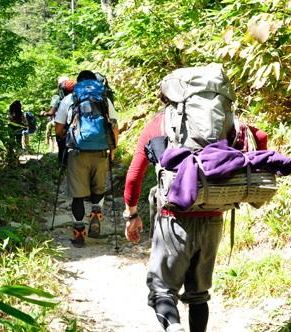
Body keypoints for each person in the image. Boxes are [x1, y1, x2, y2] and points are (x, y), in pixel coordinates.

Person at [122, 93, 268, 332]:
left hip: (173, 220)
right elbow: (259, 136)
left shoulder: (158, 123)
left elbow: (134, 176)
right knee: (199, 294)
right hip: (213, 216)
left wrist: (131, 214)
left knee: (162, 291)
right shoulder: (223, 120)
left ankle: (174, 328)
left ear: (165, 97)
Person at [55, 70, 119, 248]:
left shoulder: (69, 99)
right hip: (101, 150)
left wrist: (63, 140)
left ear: (78, 83)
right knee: (99, 186)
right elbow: (114, 125)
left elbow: (58, 129)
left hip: (77, 152)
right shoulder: (104, 99)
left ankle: (79, 234)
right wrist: (112, 149)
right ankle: (96, 215)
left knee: (78, 194)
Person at [41, 76, 70, 165]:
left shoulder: (57, 97)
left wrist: (44, 113)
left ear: (59, 85)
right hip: (74, 125)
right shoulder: (76, 95)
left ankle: (61, 166)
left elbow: (52, 112)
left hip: (62, 125)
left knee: (61, 147)